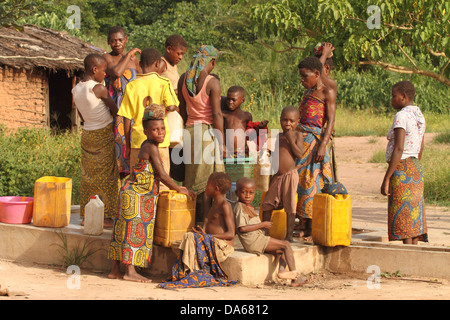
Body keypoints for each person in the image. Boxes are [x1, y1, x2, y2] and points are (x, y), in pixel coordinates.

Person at [108, 104, 196, 283]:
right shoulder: (151, 147)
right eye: (155, 130)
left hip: (131, 193)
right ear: (146, 132)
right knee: (133, 232)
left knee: (121, 232)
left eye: (163, 128)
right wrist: (180, 189)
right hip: (137, 196)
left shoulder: (148, 145)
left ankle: (115, 270)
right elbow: (163, 175)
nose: (161, 132)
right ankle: (130, 271)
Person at [158, 172, 236, 289]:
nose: (205, 187)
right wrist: (203, 235)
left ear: (216, 188)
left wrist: (207, 236)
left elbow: (231, 234)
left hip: (221, 247)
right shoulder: (213, 204)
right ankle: (192, 271)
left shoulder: (225, 205)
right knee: (176, 244)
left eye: (208, 184)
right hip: (209, 242)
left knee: (190, 237)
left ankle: (191, 273)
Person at [118, 48, 178, 191]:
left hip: (138, 142)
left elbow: (126, 118)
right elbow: (172, 106)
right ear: (157, 64)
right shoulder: (164, 82)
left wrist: (127, 143)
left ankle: (141, 212)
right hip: (160, 140)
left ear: (139, 63)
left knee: (139, 182)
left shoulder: (132, 86)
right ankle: (162, 213)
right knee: (162, 182)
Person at [178, 45, 225, 222]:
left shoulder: (183, 79)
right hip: (206, 133)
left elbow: (182, 110)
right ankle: (205, 221)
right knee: (207, 181)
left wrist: (185, 131)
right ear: (212, 62)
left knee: (191, 179)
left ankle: (188, 218)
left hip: (189, 132)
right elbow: (217, 114)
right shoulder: (212, 82)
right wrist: (221, 140)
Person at [72, 53, 119, 228]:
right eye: (103, 70)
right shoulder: (98, 88)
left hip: (88, 134)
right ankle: (105, 216)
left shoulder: (76, 89)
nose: (105, 74)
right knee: (107, 176)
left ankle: (87, 214)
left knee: (89, 176)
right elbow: (115, 110)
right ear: (94, 70)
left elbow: (81, 115)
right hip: (103, 133)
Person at [381, 80, 427, 244]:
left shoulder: (401, 116)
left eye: (394, 96)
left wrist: (387, 177)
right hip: (415, 168)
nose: (391, 100)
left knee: (404, 219)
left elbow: (399, 148)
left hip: (401, 170)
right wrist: (413, 166)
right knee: (413, 220)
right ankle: (414, 259)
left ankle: (407, 263)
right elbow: (421, 145)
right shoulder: (418, 115)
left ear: (404, 96)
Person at [234, 177, 305, 283]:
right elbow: (242, 228)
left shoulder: (246, 206)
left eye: (251, 193)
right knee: (285, 244)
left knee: (282, 250)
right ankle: (296, 277)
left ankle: (283, 272)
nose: (248, 195)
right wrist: (262, 224)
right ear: (237, 193)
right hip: (254, 241)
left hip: (258, 239)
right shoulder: (239, 207)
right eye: (244, 192)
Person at [296, 56, 336, 240]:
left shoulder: (327, 92)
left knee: (313, 182)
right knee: (301, 181)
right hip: (301, 142)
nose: (302, 80)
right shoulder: (307, 93)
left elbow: (330, 121)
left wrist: (323, 146)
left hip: (316, 142)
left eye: (305, 76)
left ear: (317, 74)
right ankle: (302, 221)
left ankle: (312, 225)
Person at [103, 26, 142, 178]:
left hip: (133, 110)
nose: (117, 43)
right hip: (117, 110)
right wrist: (130, 54)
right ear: (108, 42)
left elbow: (142, 77)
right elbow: (117, 72)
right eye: (113, 41)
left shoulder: (133, 60)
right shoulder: (107, 58)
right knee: (119, 146)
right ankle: (116, 189)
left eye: (120, 40)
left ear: (126, 40)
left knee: (133, 146)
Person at [261, 106, 304, 242]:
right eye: (284, 120)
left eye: (291, 121)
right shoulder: (278, 136)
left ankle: (289, 236)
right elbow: (276, 155)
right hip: (277, 176)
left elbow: (299, 154)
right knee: (267, 204)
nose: (288, 124)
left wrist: (290, 139)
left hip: (290, 175)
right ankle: (265, 233)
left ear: (297, 122)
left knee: (290, 206)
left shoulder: (297, 135)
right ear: (280, 120)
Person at [160, 34, 188, 183]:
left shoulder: (173, 65)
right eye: (178, 53)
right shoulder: (162, 64)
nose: (181, 57)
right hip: (166, 114)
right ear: (168, 49)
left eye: (183, 54)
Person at [222, 86, 268, 157]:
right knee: (229, 167)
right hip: (227, 151)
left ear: (242, 100)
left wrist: (259, 127)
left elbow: (251, 135)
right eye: (228, 99)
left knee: (243, 167)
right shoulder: (223, 114)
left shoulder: (246, 116)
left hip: (242, 151)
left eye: (233, 100)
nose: (230, 102)